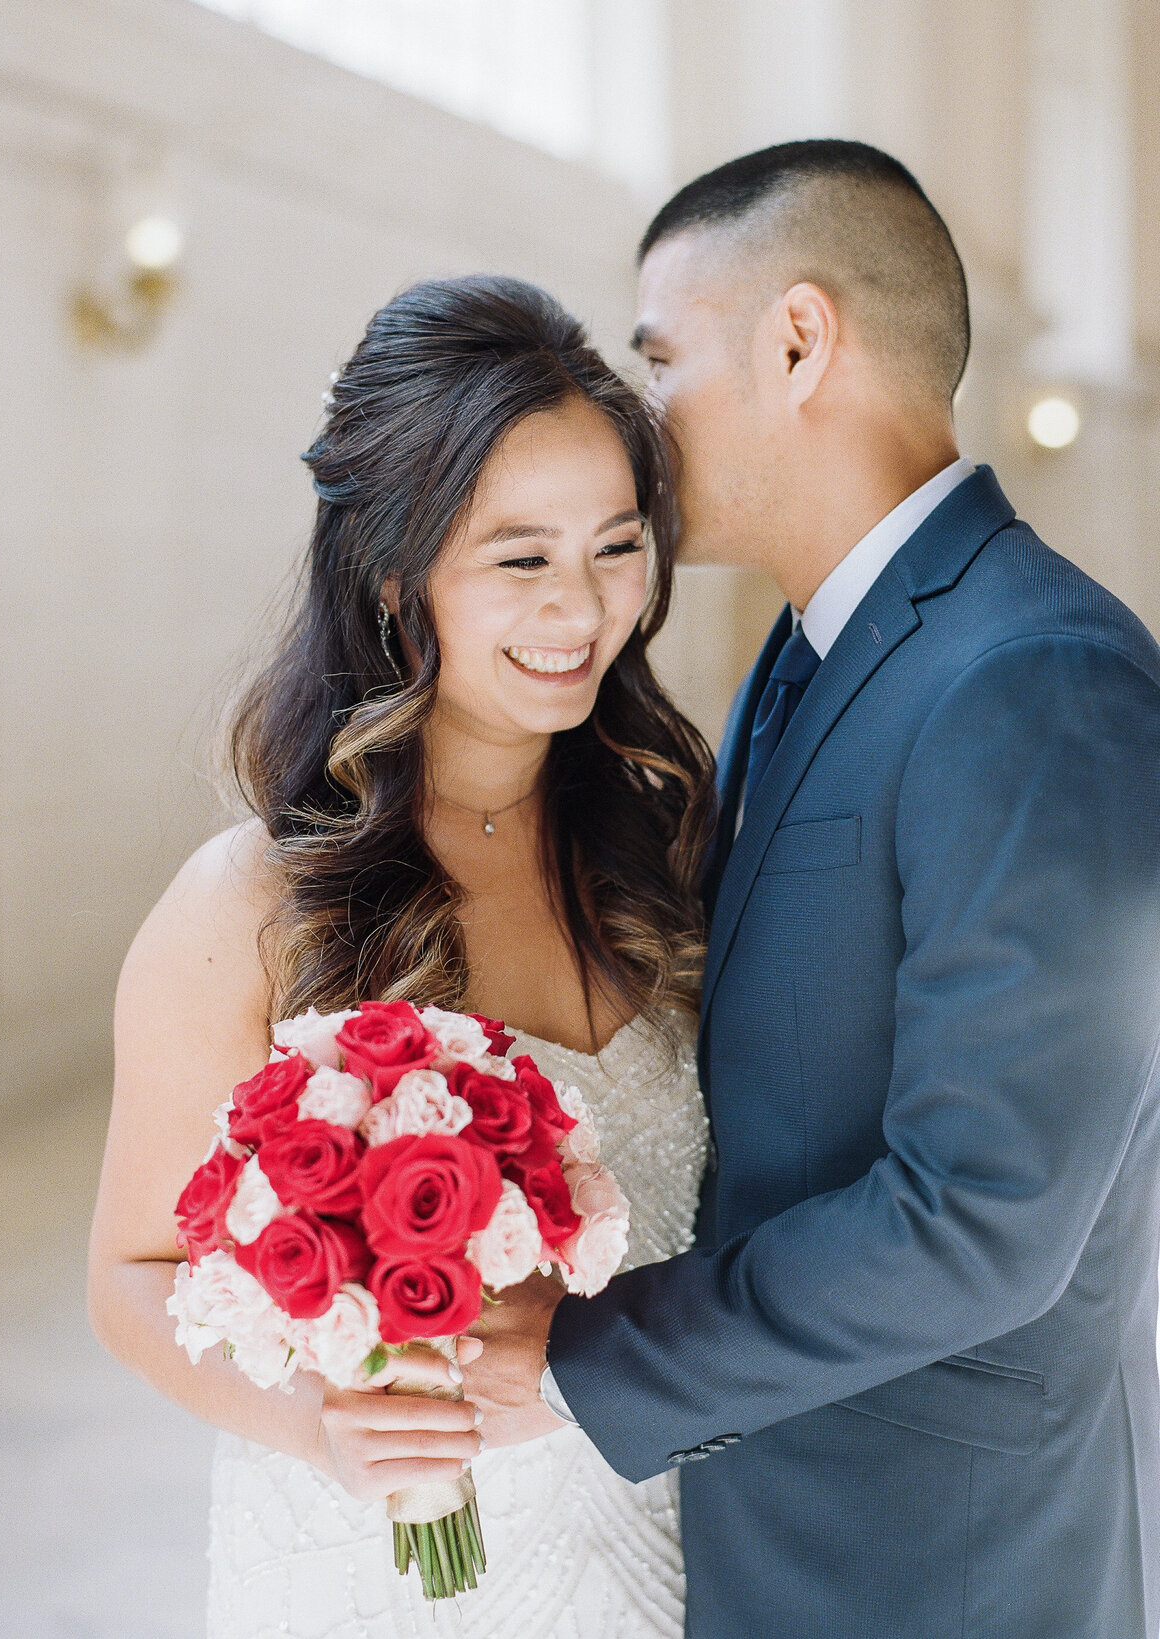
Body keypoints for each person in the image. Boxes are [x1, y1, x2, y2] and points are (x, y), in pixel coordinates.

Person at [463, 141, 1160, 1638]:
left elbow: (987, 1215)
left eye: (660, 360)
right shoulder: (808, 650)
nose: (636, 425)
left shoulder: (1038, 678)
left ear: (797, 340)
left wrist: (586, 1360)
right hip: (781, 1514)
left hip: (941, 1565)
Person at [86, 275, 717, 1638]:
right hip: (384, 1568)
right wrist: (318, 1419)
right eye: (519, 558)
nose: (581, 609)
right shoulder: (261, 903)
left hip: (647, 1549)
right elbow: (132, 1275)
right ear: (393, 569)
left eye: (616, 547)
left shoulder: (664, 848)